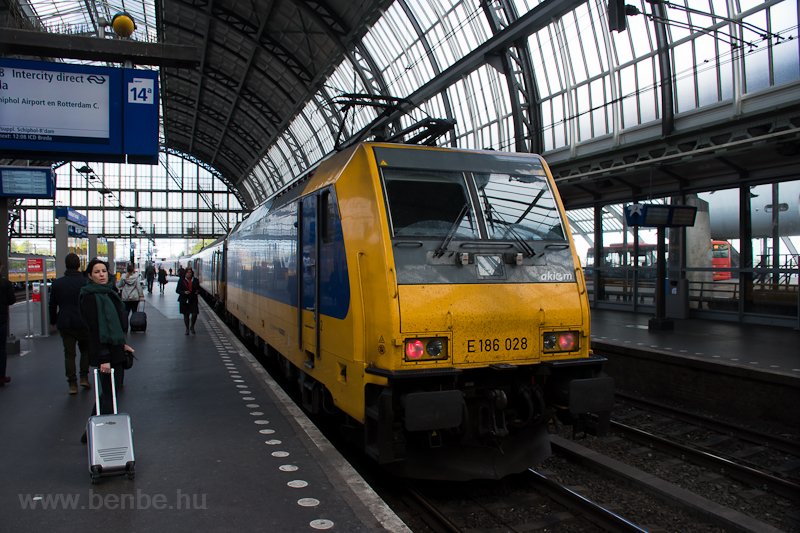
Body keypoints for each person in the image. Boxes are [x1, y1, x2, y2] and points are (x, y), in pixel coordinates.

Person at [79, 258, 134, 443]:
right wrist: (103, 358)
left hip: (115, 351)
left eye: (103, 271)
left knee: (110, 393)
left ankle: (90, 431)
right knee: (109, 396)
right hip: (105, 354)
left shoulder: (109, 293)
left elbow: (115, 324)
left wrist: (122, 344)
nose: (101, 274)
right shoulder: (89, 297)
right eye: (96, 272)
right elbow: (95, 330)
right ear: (89, 275)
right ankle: (104, 435)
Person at [49, 253, 90, 394]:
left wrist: (53, 321)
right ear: (79, 265)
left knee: (69, 354)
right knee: (85, 351)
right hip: (84, 322)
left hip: (65, 322)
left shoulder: (57, 283)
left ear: (66, 265)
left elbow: (52, 305)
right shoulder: (86, 282)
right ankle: (84, 378)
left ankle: (72, 384)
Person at [0, 262, 16, 388]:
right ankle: (1, 376)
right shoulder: (5, 283)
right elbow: (12, 300)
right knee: (1, 349)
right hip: (1, 320)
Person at [117, 264, 144, 328]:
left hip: (125, 297)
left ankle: (125, 326)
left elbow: (119, 285)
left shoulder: (123, 277)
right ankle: (134, 326)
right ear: (133, 270)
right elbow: (138, 287)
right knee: (134, 312)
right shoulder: (136, 277)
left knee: (126, 312)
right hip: (135, 297)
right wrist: (141, 295)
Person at [176, 266, 199, 335]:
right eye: (188, 273)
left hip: (193, 299)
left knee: (195, 313)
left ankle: (192, 326)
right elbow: (177, 290)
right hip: (184, 300)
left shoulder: (195, 280)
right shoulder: (181, 280)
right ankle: (187, 328)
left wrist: (197, 291)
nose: (189, 274)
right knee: (186, 315)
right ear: (185, 273)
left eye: (190, 272)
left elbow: (198, 289)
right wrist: (184, 292)